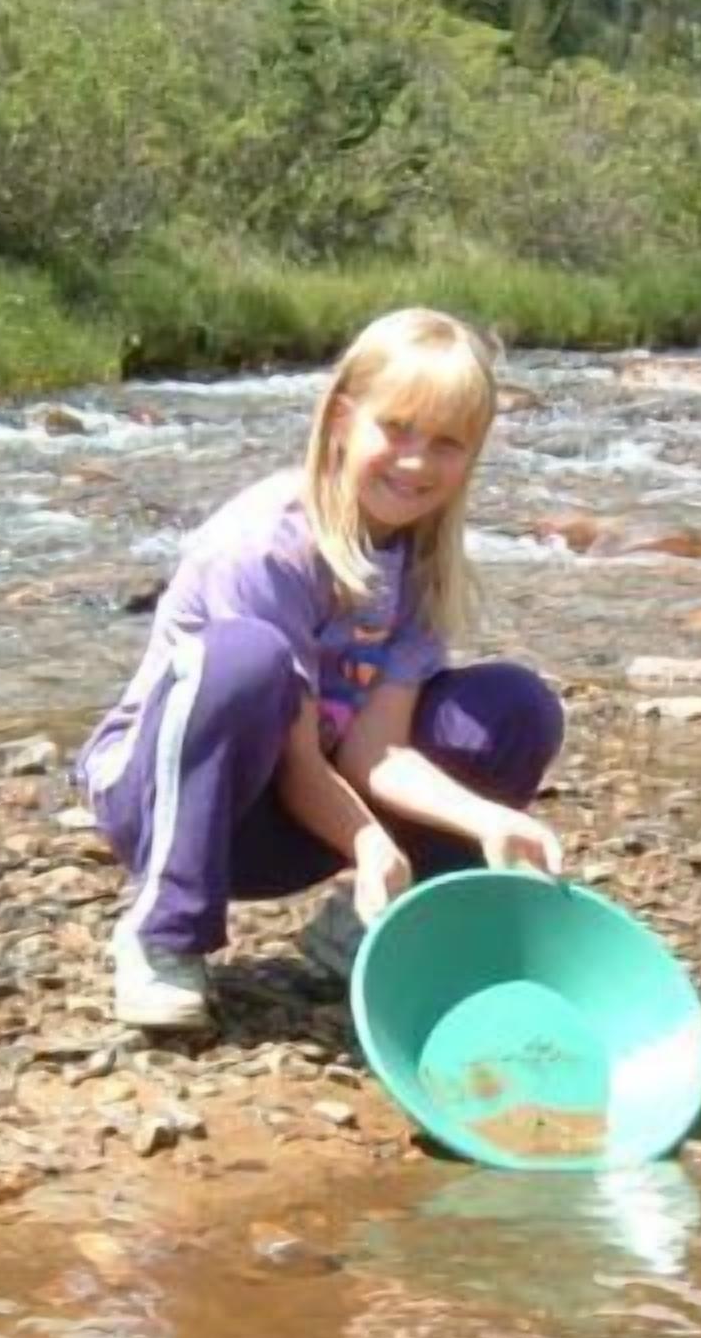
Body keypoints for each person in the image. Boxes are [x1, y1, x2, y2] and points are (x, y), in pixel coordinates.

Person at [76, 308, 567, 1032]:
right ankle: (162, 935)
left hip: (298, 816)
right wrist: (369, 840)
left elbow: (379, 751)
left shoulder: (422, 563)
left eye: (446, 444)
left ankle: (381, 927)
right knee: (246, 659)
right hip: (171, 803)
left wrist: (489, 820)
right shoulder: (264, 544)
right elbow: (297, 756)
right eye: (396, 429)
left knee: (515, 707)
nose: (416, 463)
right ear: (341, 418)